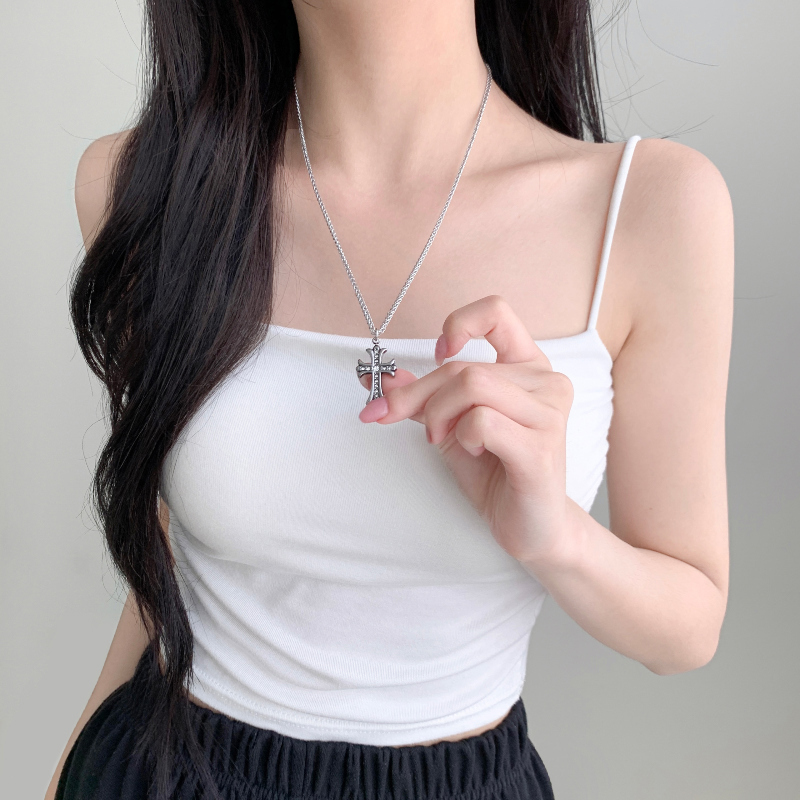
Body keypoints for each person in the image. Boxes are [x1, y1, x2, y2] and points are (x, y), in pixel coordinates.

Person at [47, 0, 734, 798]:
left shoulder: (647, 208)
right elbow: (169, 552)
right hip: (166, 767)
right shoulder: (144, 191)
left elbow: (688, 628)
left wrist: (557, 537)